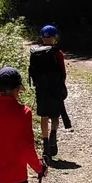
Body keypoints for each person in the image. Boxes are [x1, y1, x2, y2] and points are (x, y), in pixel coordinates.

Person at [27, 24, 67, 161]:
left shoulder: (36, 52)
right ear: (55, 37)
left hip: (41, 90)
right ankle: (53, 133)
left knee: (44, 116)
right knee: (55, 116)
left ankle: (45, 146)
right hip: (55, 89)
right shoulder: (58, 53)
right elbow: (63, 72)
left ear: (42, 38)